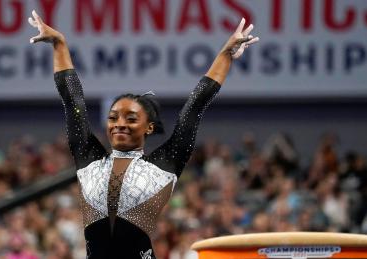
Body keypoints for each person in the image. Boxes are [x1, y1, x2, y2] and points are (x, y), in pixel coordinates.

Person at [28, 10, 258, 259]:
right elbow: (72, 101)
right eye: (113, 117)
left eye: (131, 118)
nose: (120, 124)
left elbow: (195, 107)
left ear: (149, 127)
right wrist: (60, 44)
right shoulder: (89, 161)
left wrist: (225, 55)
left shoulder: (163, 166)